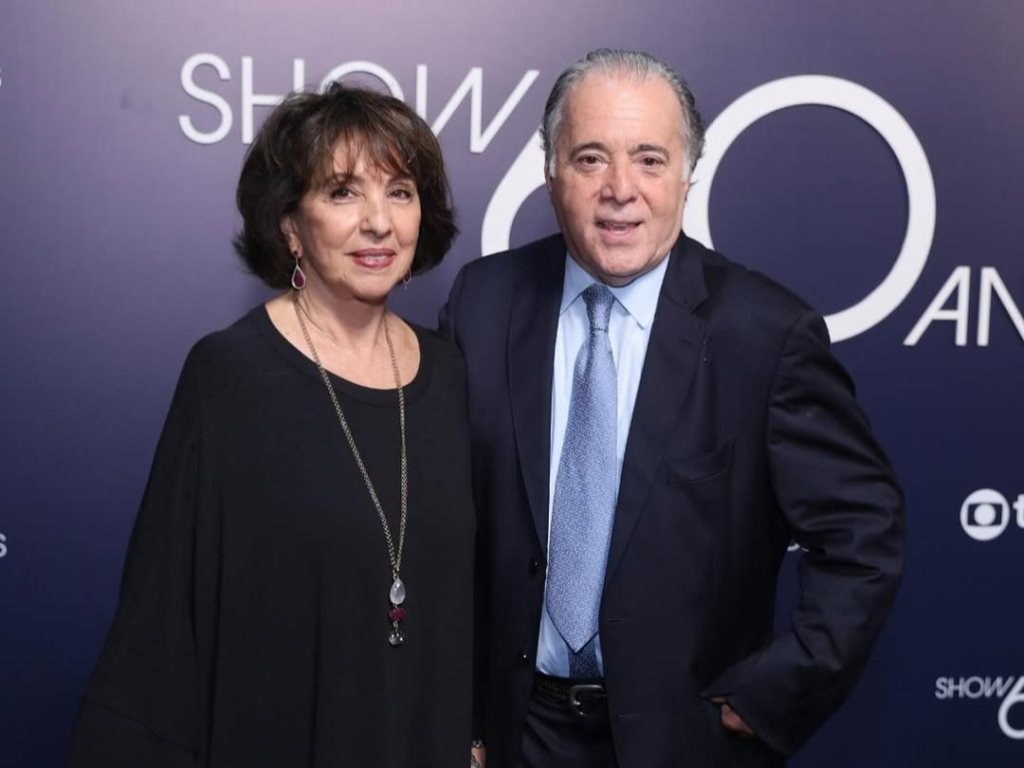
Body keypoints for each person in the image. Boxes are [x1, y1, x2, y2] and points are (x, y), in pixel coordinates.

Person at [441, 49, 905, 768]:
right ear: (551, 171)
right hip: (513, 737)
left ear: (688, 176)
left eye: (649, 160)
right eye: (591, 158)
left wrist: (777, 693)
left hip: (688, 742)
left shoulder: (766, 333)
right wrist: (457, 717)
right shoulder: (483, 302)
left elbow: (863, 533)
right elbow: (439, 526)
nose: (620, 190)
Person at [68, 83, 474, 767]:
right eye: (343, 192)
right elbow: (163, 620)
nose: (379, 222)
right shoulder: (230, 377)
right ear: (290, 225)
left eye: (400, 192)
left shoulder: (454, 374)